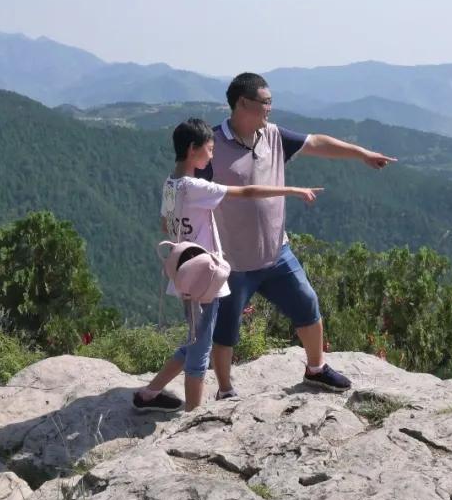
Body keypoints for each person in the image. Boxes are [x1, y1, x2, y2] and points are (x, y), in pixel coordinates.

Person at [206, 73, 396, 399]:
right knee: (225, 329)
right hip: (233, 260)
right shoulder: (212, 145)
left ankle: (316, 369)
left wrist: (361, 153)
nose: (270, 109)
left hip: (277, 253)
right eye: (265, 103)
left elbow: (317, 142)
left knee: (307, 303)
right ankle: (225, 391)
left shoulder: (274, 136)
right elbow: (187, 190)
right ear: (242, 103)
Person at [133, 118, 322, 413]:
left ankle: (149, 394)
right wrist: (293, 191)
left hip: (183, 269)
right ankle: (192, 415)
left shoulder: (171, 184)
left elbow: (164, 225)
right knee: (200, 348)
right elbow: (245, 192)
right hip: (203, 275)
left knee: (197, 337)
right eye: (209, 150)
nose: (212, 155)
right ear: (193, 149)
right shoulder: (195, 186)